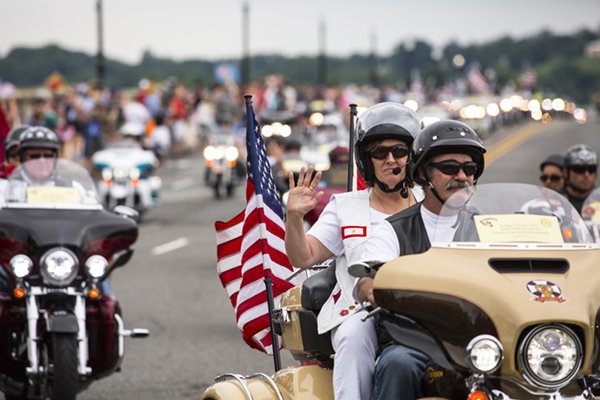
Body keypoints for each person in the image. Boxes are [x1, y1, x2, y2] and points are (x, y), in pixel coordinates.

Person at [285, 102, 424, 400]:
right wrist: (294, 217)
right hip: (359, 310)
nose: (390, 159)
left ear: (411, 157)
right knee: (353, 336)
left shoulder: (431, 203)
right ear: (366, 159)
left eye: (399, 151)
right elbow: (303, 257)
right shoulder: (345, 206)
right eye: (379, 152)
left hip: (424, 309)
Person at [357, 119, 486, 400]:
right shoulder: (393, 229)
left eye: (470, 169)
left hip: (480, 341)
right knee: (397, 365)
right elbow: (367, 280)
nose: (462, 176)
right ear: (423, 173)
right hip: (414, 341)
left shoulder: (488, 226)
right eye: (450, 168)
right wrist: (377, 290)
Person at [560, 144, 597, 214]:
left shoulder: (598, 199)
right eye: (579, 169)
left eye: (591, 169)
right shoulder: (553, 200)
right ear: (565, 172)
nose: (586, 175)